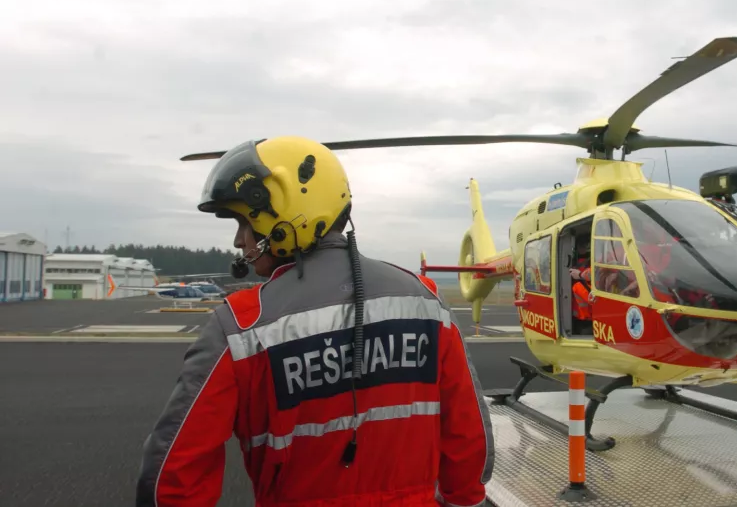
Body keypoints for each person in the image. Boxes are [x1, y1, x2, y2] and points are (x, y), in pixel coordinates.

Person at [135, 136, 494, 507]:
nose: (239, 240)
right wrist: (463, 498)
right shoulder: (425, 300)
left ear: (283, 216)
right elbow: (469, 439)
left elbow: (174, 475)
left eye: (245, 222)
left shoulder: (242, 326)